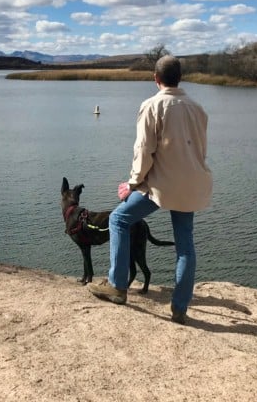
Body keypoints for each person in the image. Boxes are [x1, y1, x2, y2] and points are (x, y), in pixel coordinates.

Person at [87, 55, 212, 324]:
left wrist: (132, 183)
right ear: (180, 77)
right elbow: (200, 149)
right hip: (191, 183)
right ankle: (179, 308)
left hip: (161, 184)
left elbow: (144, 150)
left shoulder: (152, 105)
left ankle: (117, 286)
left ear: (156, 79)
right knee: (185, 245)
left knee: (119, 219)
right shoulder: (198, 108)